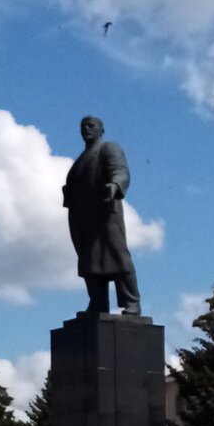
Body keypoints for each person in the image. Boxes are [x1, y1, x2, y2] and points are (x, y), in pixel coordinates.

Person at [62, 116, 141, 315]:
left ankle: (132, 302)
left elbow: (120, 170)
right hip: (82, 217)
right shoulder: (79, 161)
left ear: (101, 130)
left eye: (91, 126)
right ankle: (98, 303)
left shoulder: (109, 148)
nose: (86, 129)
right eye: (83, 126)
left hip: (105, 213)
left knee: (118, 256)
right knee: (90, 262)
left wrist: (115, 185)